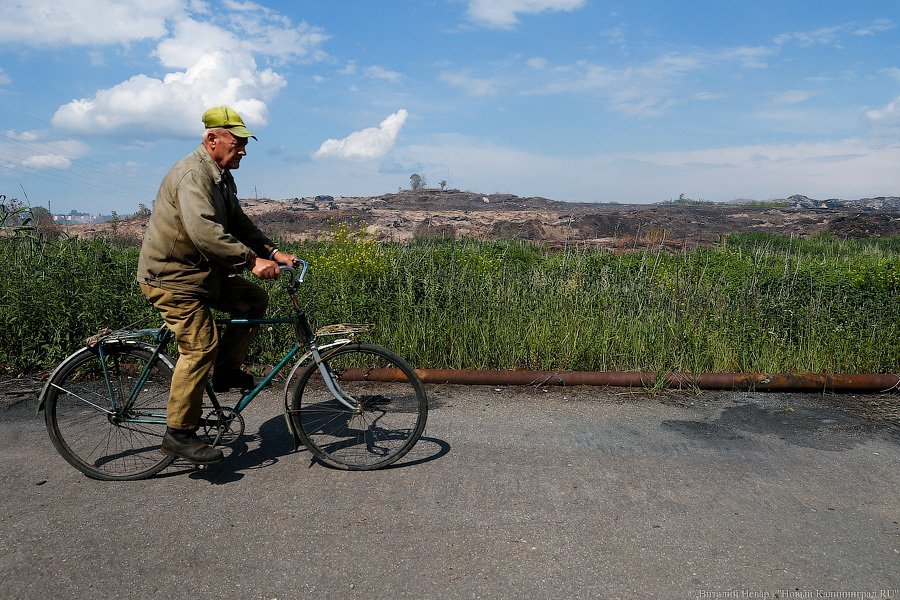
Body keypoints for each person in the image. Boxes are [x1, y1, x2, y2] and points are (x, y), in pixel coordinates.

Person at [137, 105, 297, 465]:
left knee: (253, 301)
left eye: (244, 144)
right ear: (213, 139)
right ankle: (178, 434)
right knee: (199, 347)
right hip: (172, 277)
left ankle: (225, 373)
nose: (243, 150)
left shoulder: (220, 176)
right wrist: (252, 261)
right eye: (238, 143)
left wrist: (273, 251)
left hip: (200, 274)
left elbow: (238, 223)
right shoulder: (193, 176)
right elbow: (205, 232)